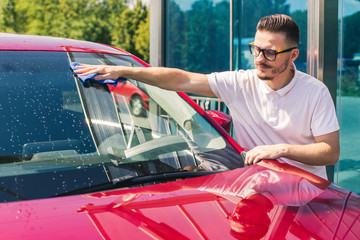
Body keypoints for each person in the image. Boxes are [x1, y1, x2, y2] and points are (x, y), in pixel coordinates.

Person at [75, 14, 340, 179]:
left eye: (269, 53)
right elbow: (181, 78)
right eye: (256, 49)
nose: (259, 59)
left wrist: (282, 150)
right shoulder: (240, 82)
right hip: (254, 185)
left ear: (293, 55)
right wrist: (122, 70)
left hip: (306, 193)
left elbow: (330, 152)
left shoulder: (315, 92)